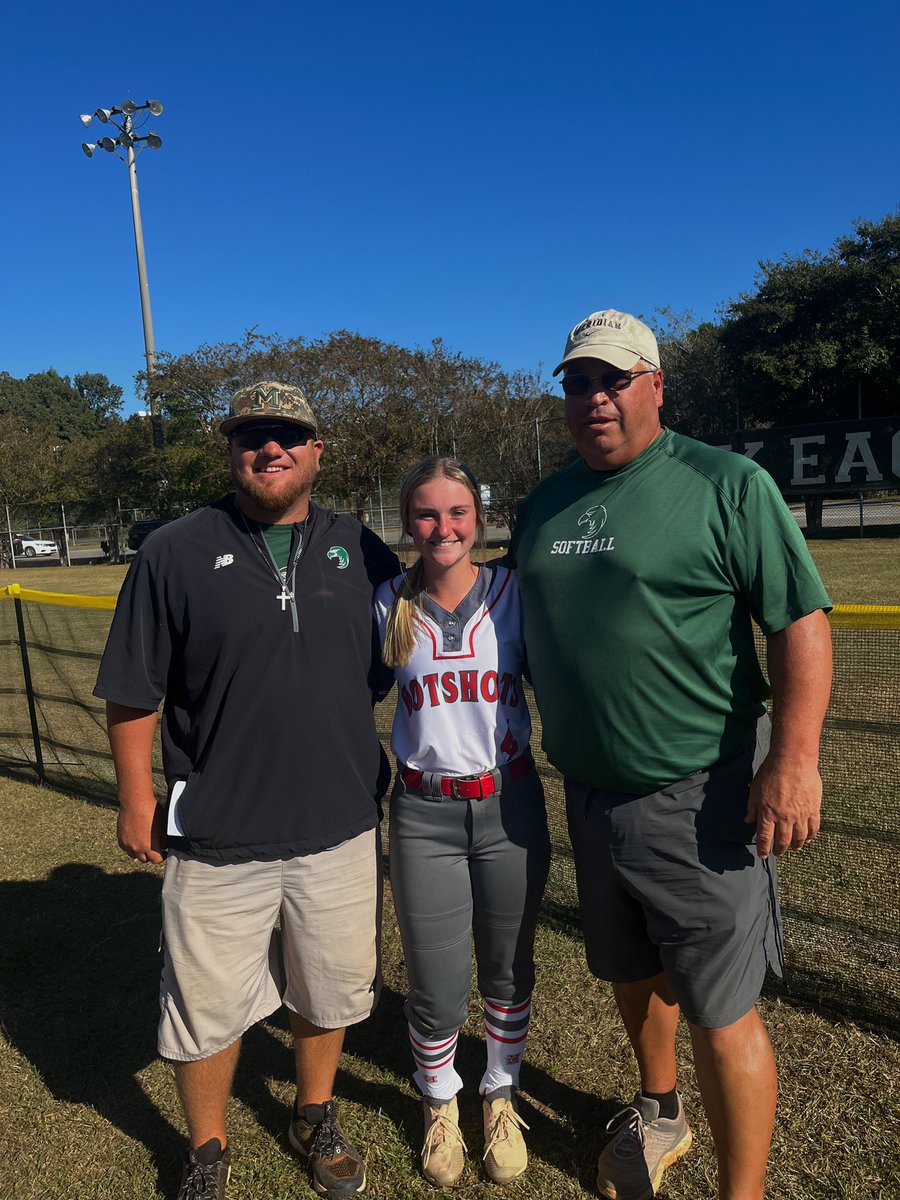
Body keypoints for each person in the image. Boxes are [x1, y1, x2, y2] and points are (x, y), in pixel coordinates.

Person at [509, 311, 833, 1200]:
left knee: (720, 1011)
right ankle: (660, 1113)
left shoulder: (725, 484)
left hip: (703, 797)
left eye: (613, 379)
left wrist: (794, 759)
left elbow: (798, 620)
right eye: (578, 383)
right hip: (589, 795)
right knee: (630, 971)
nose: (595, 398)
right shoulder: (542, 503)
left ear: (656, 384)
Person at [94, 381, 399, 1200]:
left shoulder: (364, 551)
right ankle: (206, 1149)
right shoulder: (175, 550)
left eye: (288, 434)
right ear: (231, 450)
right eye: (252, 435)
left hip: (338, 824)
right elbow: (132, 689)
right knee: (206, 1005)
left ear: (316, 451)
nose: (271, 448)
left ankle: (315, 1110)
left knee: (327, 987)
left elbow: (395, 664)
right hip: (218, 829)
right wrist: (134, 798)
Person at [373, 456, 550, 1188]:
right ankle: (440, 1101)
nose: (441, 528)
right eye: (425, 514)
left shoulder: (516, 594)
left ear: (478, 519)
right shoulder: (385, 602)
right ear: (407, 522)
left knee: (509, 969)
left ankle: (499, 1092)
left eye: (456, 513)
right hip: (423, 813)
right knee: (437, 980)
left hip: (509, 802)